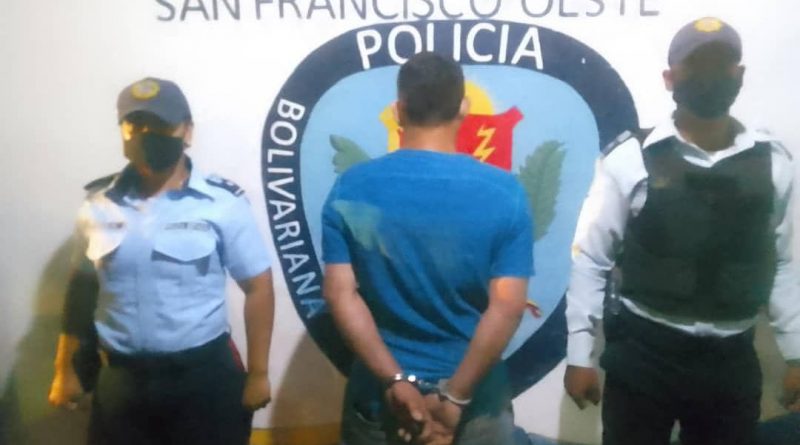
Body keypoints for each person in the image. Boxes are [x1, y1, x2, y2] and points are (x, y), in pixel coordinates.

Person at [563, 17, 800, 445]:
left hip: (731, 360)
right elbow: (591, 259)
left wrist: (796, 353)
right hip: (644, 355)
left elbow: (782, 262)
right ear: (670, 78)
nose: (710, 76)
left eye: (721, 64)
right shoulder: (631, 158)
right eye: (696, 65)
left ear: (739, 75)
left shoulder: (773, 164)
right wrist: (579, 353)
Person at [47, 77, 275, 445]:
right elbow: (81, 291)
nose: (146, 133)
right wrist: (65, 369)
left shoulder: (222, 204)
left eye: (160, 124)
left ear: (188, 131)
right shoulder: (96, 206)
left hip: (202, 380)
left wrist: (259, 373)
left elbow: (258, 286)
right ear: (122, 131)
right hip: (122, 381)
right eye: (135, 124)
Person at [322, 52, 534, 445]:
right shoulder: (506, 194)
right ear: (464, 108)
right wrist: (455, 397)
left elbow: (340, 293)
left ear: (398, 111)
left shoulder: (351, 188)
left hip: (381, 396)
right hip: (476, 401)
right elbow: (507, 306)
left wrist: (395, 380)